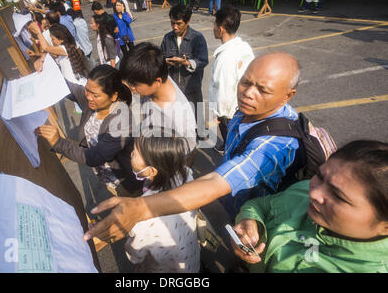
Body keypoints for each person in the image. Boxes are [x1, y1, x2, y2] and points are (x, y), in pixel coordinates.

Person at [83, 52, 302, 243]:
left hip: (261, 218)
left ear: (287, 96)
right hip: (235, 205)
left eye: (263, 90)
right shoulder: (250, 110)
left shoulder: (274, 145)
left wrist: (140, 207)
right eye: (245, 82)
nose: (248, 93)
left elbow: (218, 181)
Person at [231, 140, 388, 273]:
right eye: (320, 176)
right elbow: (261, 205)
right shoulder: (302, 191)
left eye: (338, 196)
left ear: (385, 227)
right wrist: (250, 220)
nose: (314, 193)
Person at [34, 65, 143, 197]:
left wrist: (59, 143)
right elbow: (67, 87)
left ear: (113, 96)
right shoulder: (91, 102)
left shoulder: (122, 123)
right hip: (107, 178)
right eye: (87, 91)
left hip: (124, 184)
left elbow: (94, 157)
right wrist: (45, 69)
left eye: (95, 95)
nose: (89, 97)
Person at [125, 133, 200, 273]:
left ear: (152, 171)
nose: (131, 154)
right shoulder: (185, 174)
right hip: (191, 259)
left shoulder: (142, 217)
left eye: (134, 153)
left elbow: (135, 256)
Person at [119, 42, 198, 153]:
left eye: (134, 84)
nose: (131, 88)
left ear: (157, 81)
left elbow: (188, 153)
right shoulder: (154, 78)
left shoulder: (179, 118)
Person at [209, 5, 254, 154]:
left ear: (221, 28)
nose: (213, 27)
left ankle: (229, 152)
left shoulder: (225, 58)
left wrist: (218, 114)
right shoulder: (244, 46)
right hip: (243, 104)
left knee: (233, 144)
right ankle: (228, 145)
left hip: (230, 112)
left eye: (215, 23)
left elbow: (224, 90)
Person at [160, 4, 209, 140]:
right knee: (179, 115)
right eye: (172, 23)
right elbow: (160, 58)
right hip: (174, 87)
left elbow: (203, 60)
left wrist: (186, 62)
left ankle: (200, 133)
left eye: (179, 24)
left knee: (197, 112)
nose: (175, 27)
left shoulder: (197, 38)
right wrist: (166, 61)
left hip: (192, 85)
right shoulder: (167, 38)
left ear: (188, 21)